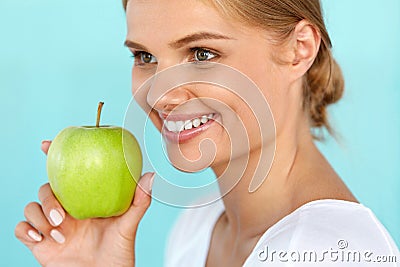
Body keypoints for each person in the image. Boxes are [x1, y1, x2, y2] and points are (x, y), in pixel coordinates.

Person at [15, 0, 399, 266]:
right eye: (145, 57)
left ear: (298, 50)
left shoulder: (335, 252)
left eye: (201, 53)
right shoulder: (199, 226)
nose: (161, 93)